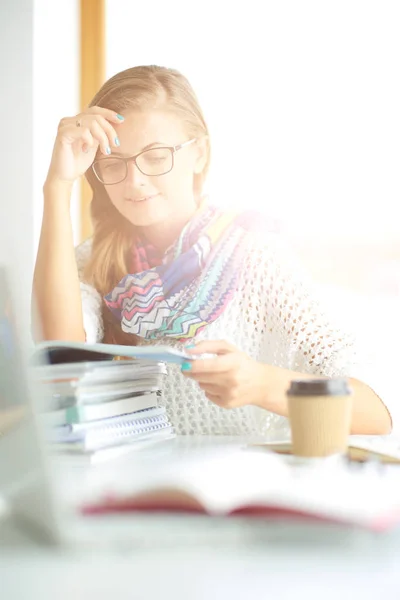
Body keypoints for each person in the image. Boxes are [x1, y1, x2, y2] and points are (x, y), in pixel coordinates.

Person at [33, 65, 392, 437]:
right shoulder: (89, 261)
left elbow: (376, 410)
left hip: (237, 490)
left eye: (156, 157)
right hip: (124, 492)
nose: (134, 180)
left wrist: (261, 384)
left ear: (200, 154)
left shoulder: (253, 256)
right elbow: (63, 360)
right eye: (113, 163)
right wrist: (57, 186)